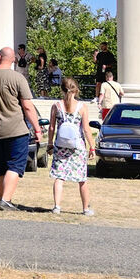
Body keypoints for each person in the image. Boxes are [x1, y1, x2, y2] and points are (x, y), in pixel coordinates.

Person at [0, 46, 39, 211]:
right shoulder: (18, 78)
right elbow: (28, 107)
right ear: (14, 60)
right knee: (15, 165)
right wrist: (37, 128)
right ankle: (6, 200)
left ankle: (3, 199)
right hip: (16, 130)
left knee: (0, 166)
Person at [48, 76, 94, 216]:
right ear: (76, 90)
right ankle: (85, 208)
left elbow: (51, 127)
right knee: (82, 179)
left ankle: (57, 206)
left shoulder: (56, 106)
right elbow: (86, 129)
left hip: (60, 145)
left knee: (59, 176)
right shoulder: (82, 107)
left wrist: (50, 143)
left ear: (62, 89)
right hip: (77, 146)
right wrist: (92, 147)